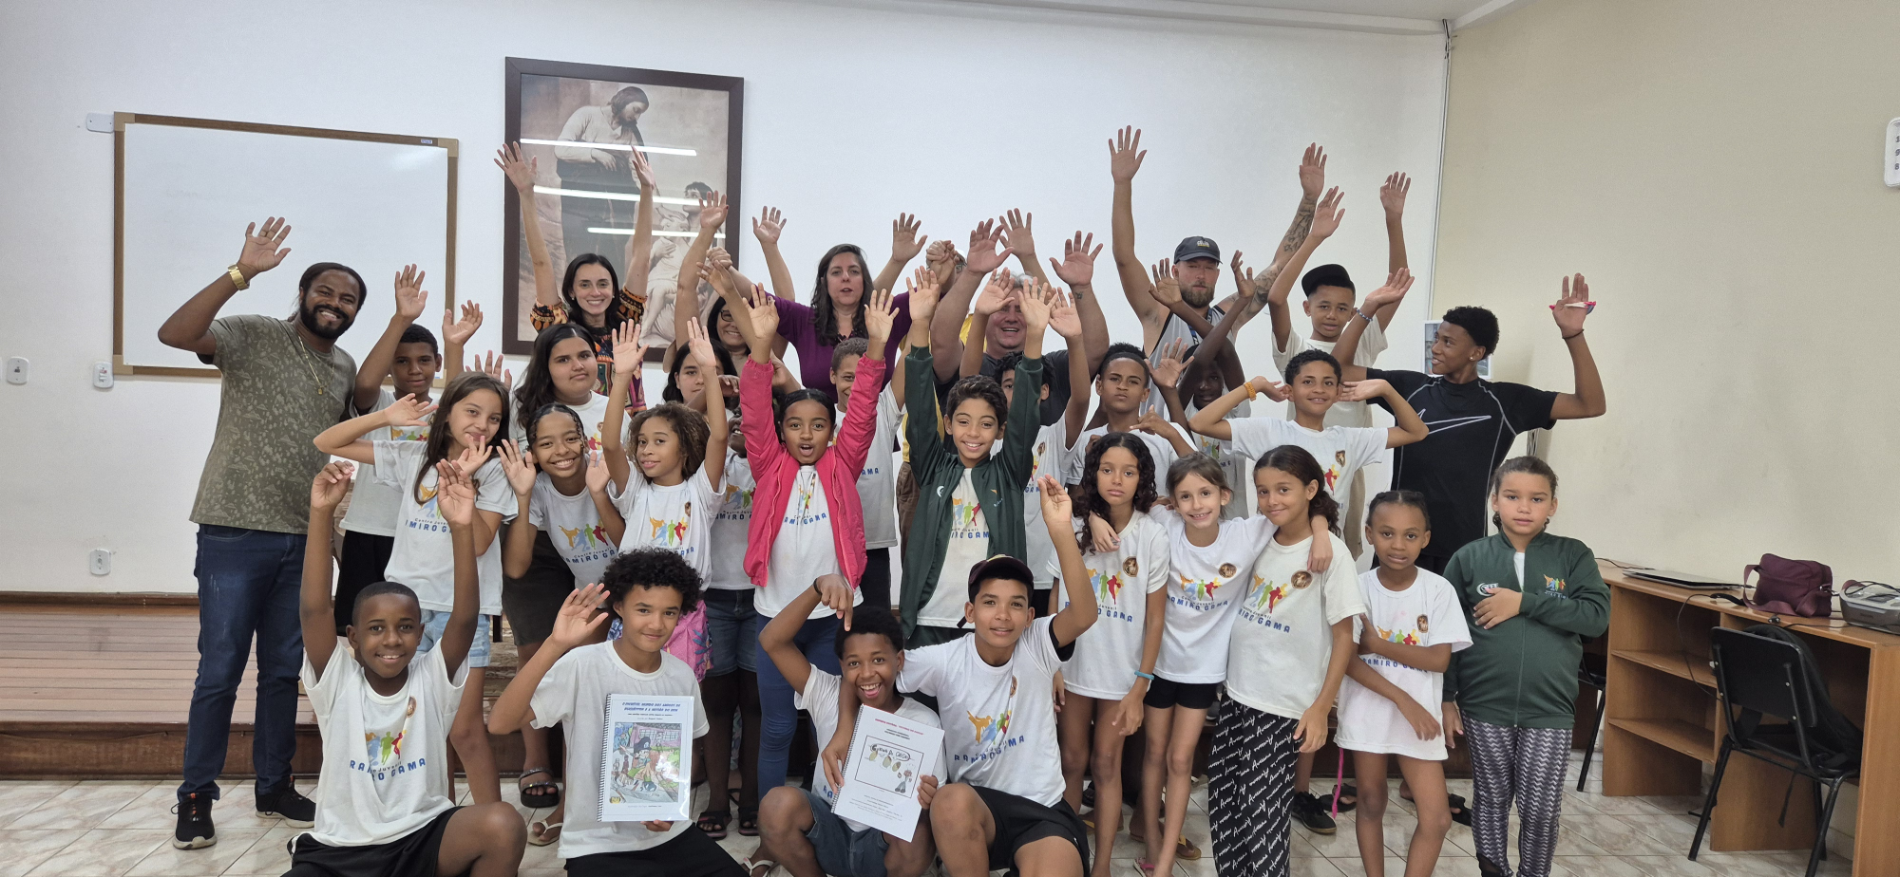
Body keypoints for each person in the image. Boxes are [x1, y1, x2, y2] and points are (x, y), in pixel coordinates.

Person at [157, 217, 362, 847]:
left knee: (281, 670)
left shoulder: (345, 366)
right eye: (325, 292)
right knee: (219, 668)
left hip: (305, 536)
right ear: (302, 294)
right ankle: (196, 795)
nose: (335, 304)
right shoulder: (252, 334)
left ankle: (274, 785)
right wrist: (239, 273)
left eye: (348, 298)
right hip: (232, 529)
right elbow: (175, 333)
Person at [828, 477, 1101, 877]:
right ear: (971, 613)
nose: (1003, 615)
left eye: (1016, 605)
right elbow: (872, 674)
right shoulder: (944, 660)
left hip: (1041, 811)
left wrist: (1060, 530)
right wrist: (843, 729)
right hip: (978, 811)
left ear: (1030, 616)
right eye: (990, 603)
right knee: (949, 800)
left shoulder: (1038, 645)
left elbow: (1085, 614)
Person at [291, 461, 526, 877]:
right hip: (341, 852)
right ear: (353, 636)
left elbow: (465, 618)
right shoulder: (338, 682)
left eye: (404, 628)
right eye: (376, 629)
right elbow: (313, 609)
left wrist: (460, 526)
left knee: (502, 823)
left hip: (421, 839)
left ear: (419, 635)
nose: (392, 640)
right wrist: (321, 515)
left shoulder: (431, 678)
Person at [314, 372, 516, 807]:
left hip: (461, 613)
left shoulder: (495, 471)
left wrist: (466, 483)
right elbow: (327, 442)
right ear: (448, 413)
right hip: (406, 613)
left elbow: (480, 542)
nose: (483, 424)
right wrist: (385, 416)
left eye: (495, 418)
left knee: (463, 729)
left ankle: (491, 826)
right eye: (472, 411)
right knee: (427, 727)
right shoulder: (413, 456)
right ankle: (435, 823)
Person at [486, 551, 744, 877]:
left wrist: (664, 801)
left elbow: (687, 757)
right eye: (643, 610)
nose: (656, 623)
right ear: (619, 607)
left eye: (669, 612)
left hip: (669, 835)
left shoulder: (681, 675)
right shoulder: (583, 665)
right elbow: (500, 723)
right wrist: (554, 644)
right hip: (596, 843)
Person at [734, 283, 896, 795]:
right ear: (782, 432)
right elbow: (756, 411)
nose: (807, 435)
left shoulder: (843, 462)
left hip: (835, 622)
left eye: (819, 426)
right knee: (778, 728)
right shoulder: (767, 463)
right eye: (796, 426)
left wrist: (875, 347)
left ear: (833, 430)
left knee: (835, 727)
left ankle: (835, 812)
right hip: (775, 616)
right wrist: (761, 346)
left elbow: (865, 408)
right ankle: (770, 825)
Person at [1334, 274, 1608, 573]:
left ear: (1476, 353)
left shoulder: (1505, 400)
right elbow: (1337, 369)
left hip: (1464, 550)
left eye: (1447, 342)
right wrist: (1367, 309)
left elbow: (1590, 404)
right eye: (1436, 339)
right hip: (1403, 543)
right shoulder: (1409, 387)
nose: (1435, 348)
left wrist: (1573, 335)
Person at [1442, 457, 1608, 877]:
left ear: (1553, 505)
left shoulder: (1573, 555)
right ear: (1494, 501)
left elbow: (1595, 617)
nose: (1524, 507)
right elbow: (1446, 636)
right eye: (1512, 496)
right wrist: (1447, 698)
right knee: (1492, 798)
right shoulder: (1469, 558)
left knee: (1539, 808)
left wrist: (1524, 602)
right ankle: (1493, 872)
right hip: (1484, 705)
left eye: (1537, 498)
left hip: (1548, 709)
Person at [1211, 446, 1365, 877]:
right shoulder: (1260, 535)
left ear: (1311, 489)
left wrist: (1320, 708)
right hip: (1239, 695)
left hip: (1282, 706)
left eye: (1284, 489)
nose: (1272, 500)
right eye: (1262, 491)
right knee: (1227, 806)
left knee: (1262, 817)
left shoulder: (1330, 552)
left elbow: (1344, 637)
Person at [498, 320, 620, 826]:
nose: (562, 451)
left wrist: (596, 490)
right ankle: (568, 789)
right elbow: (519, 565)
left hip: (624, 581)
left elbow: (631, 536)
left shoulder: (609, 439)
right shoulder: (541, 488)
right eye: (547, 445)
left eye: (583, 355)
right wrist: (525, 493)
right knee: (576, 686)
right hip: (580, 587)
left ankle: (606, 789)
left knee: (600, 688)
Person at [1108, 130, 1324, 407]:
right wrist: (1122, 183)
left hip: (1217, 446)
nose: (1201, 274)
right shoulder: (1157, 313)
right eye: (1193, 265)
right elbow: (1124, 256)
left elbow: (1280, 265)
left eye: (1209, 267)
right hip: (1164, 445)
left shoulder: (1228, 315)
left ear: (1218, 275)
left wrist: (1309, 199)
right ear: (1175, 271)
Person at [1131, 455, 1271, 877]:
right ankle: (1153, 843)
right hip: (1156, 664)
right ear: (1173, 503)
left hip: (1203, 671)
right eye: (1186, 497)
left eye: (1206, 493)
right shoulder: (1165, 523)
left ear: (1224, 496)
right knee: (1154, 753)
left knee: (1180, 759)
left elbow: (1304, 507)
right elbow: (1127, 505)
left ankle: (1166, 858)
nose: (1196, 504)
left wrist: (1320, 533)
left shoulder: (1246, 533)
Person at [1263, 171, 1414, 557]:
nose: (1333, 315)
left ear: (1352, 311)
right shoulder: (1295, 348)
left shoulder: (1362, 339)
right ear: (1308, 307)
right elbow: (1276, 299)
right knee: (1289, 548)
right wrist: (1315, 237)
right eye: (1324, 306)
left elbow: (1395, 289)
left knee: (1342, 552)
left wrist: (1393, 220)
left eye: (1343, 308)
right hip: (1295, 464)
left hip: (1349, 463)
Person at [756, 578, 942, 877]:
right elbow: (771, 641)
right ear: (841, 666)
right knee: (777, 804)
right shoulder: (827, 695)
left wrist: (929, 800)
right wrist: (817, 589)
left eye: (879, 660)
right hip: (830, 833)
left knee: (919, 833)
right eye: (854, 663)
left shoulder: (923, 723)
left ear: (900, 661)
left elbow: (933, 806)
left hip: (881, 847)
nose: (868, 673)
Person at [898, 274, 1047, 646]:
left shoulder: (1009, 473)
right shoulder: (932, 468)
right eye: (963, 422)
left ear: (1000, 431)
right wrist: (920, 325)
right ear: (947, 424)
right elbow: (918, 405)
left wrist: (1036, 336)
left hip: (988, 629)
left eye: (986, 424)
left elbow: (1026, 418)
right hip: (926, 621)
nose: (973, 432)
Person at [1049, 434, 1169, 877]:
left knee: (1106, 764)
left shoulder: (1152, 534)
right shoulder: (1073, 525)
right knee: (1071, 761)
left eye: (1129, 471)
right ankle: (1066, 857)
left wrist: (1141, 684)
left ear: (1142, 478)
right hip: (1075, 668)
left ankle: (1101, 866)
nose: (1116, 480)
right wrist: (1053, 663)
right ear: (1093, 473)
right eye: (1107, 469)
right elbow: (1057, 598)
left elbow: (1155, 619)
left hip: (1121, 674)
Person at [1336, 490, 1470, 877]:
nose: (1398, 545)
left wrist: (1377, 644)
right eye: (1387, 533)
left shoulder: (1438, 590)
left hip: (1419, 722)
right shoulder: (1356, 588)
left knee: (1437, 818)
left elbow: (1438, 659)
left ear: (1426, 538)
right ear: (1369, 534)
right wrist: (1403, 700)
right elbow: (1347, 661)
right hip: (1368, 713)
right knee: (1371, 802)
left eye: (1410, 535)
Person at [335, 267, 466, 634]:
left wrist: (456, 345)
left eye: (424, 360)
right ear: (390, 366)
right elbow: (363, 382)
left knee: (415, 624)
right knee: (361, 623)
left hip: (421, 533)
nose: (414, 369)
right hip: (369, 528)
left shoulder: (447, 414)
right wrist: (401, 318)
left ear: (437, 364)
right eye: (402, 361)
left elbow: (459, 396)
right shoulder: (380, 403)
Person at [957, 271, 1094, 614]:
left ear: (1044, 390)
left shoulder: (1054, 436)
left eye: (1024, 384)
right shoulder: (985, 440)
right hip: (997, 568)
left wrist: (1075, 339)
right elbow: (967, 381)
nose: (1014, 393)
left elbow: (1080, 399)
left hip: (1046, 573)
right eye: (1007, 385)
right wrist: (980, 315)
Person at [499, 142, 654, 406]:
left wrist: (647, 190)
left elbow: (641, 256)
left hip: (628, 435)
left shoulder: (625, 321)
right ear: (571, 291)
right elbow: (541, 263)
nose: (595, 292)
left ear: (614, 289)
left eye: (603, 284)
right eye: (585, 284)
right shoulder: (560, 327)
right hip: (572, 432)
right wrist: (526, 194)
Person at [928, 217, 1112, 425]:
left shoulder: (1053, 369)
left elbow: (1095, 350)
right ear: (986, 312)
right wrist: (973, 273)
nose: (1012, 317)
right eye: (1003, 308)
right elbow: (941, 340)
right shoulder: (967, 362)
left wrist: (1081, 288)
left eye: (1021, 310)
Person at [761, 215, 924, 396]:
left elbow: (931, 292)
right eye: (836, 272)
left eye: (854, 271)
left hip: (879, 422)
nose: (845, 277)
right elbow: (752, 296)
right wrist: (726, 272)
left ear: (865, 280)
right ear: (824, 282)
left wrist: (947, 264)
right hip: (819, 422)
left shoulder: (887, 314)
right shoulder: (803, 320)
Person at [700, 408, 762, 841]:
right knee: (717, 703)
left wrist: (755, 448)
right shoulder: (699, 467)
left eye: (748, 415)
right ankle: (717, 799)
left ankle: (754, 797)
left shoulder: (774, 463)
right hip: (714, 597)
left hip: (762, 598)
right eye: (729, 417)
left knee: (757, 703)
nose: (737, 424)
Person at [1059, 343, 1193, 498]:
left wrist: (1172, 434)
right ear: (1099, 386)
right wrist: (1092, 462)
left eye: (1133, 381)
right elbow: (1076, 503)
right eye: (1115, 379)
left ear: (1145, 393)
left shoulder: (1168, 432)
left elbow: (1204, 475)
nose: (1122, 386)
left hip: (1161, 521)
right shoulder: (1085, 441)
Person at [830, 337, 902, 612]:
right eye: (849, 377)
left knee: (874, 625)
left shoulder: (883, 407)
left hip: (875, 544)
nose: (856, 385)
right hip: (833, 547)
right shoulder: (821, 418)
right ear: (833, 376)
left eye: (863, 376)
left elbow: (911, 356)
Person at [550, 87, 648, 276]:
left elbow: (640, 170)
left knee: (609, 248)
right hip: (581, 196)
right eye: (636, 110)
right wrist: (595, 154)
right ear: (623, 101)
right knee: (579, 246)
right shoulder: (587, 115)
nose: (637, 117)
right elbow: (561, 149)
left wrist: (656, 203)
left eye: (640, 113)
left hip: (611, 200)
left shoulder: (630, 133)